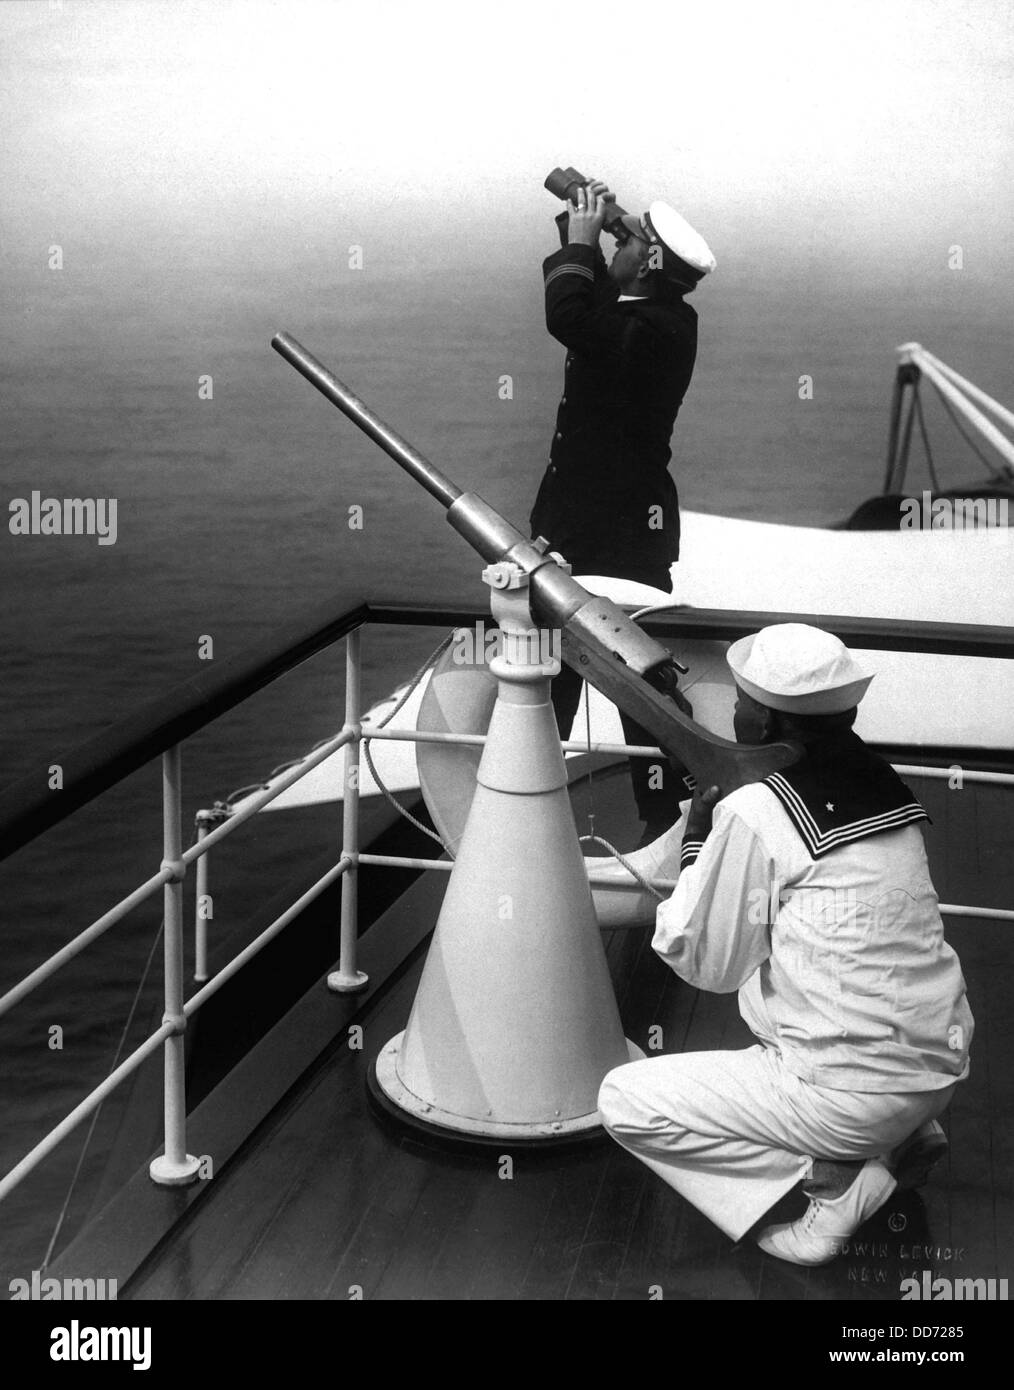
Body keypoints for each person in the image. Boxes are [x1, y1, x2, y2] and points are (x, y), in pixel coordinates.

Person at [597, 623, 974, 1266]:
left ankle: (836, 1185)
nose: (734, 713)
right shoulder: (881, 782)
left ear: (764, 721)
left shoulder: (760, 811)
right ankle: (900, 1135)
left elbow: (702, 961)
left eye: (741, 703)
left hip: (849, 1097)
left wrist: (697, 840)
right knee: (776, 987)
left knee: (624, 1100)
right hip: (937, 1062)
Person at [530, 178, 715, 844]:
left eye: (628, 239)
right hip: (603, 524)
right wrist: (593, 225)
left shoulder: (654, 330)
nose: (617, 241)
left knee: (632, 679)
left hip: (609, 534)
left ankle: (673, 822)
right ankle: (537, 806)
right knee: (562, 672)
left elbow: (570, 316)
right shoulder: (653, 313)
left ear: (652, 262)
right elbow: (596, 300)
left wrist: (585, 239)